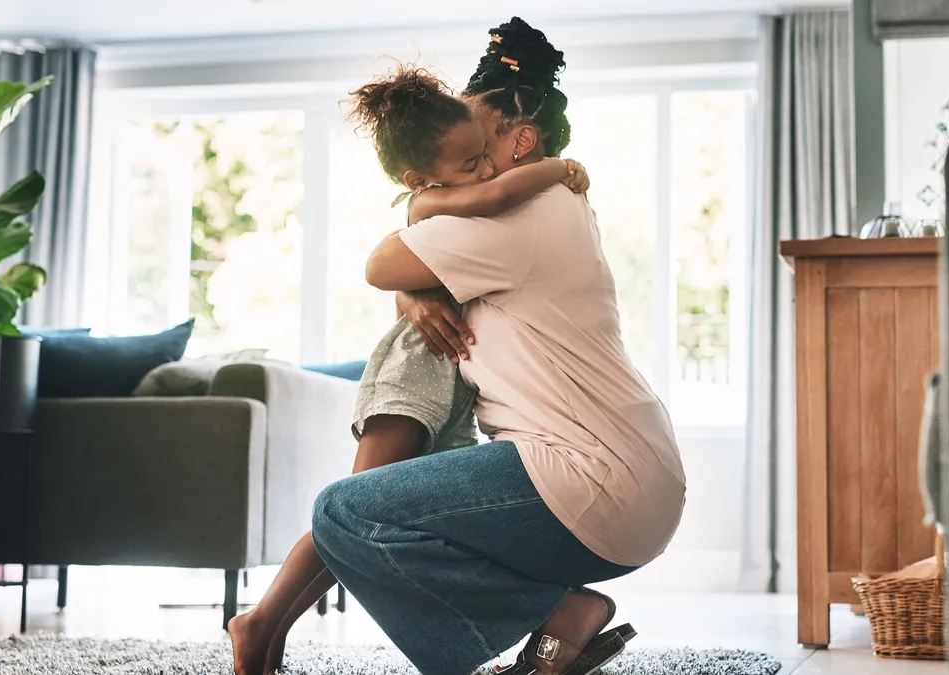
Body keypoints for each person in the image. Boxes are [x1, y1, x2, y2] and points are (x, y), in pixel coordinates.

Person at [311, 16, 687, 675]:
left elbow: (380, 265)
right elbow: (409, 272)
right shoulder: (544, 206)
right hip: (623, 475)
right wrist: (421, 293)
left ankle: (562, 612)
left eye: (476, 138)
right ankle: (553, 613)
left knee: (343, 511)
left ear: (521, 136)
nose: (468, 158)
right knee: (374, 508)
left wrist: (414, 272)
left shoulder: (519, 211)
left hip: (588, 475)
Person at [228, 64, 590, 675]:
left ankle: (264, 626)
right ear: (418, 178)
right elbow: (489, 201)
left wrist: (415, 293)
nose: (482, 169)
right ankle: (260, 622)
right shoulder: (436, 198)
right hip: (417, 367)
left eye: (482, 156)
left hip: (453, 378)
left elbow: (430, 274)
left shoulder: (449, 193)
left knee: (386, 514)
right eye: (469, 162)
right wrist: (560, 170)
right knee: (353, 505)